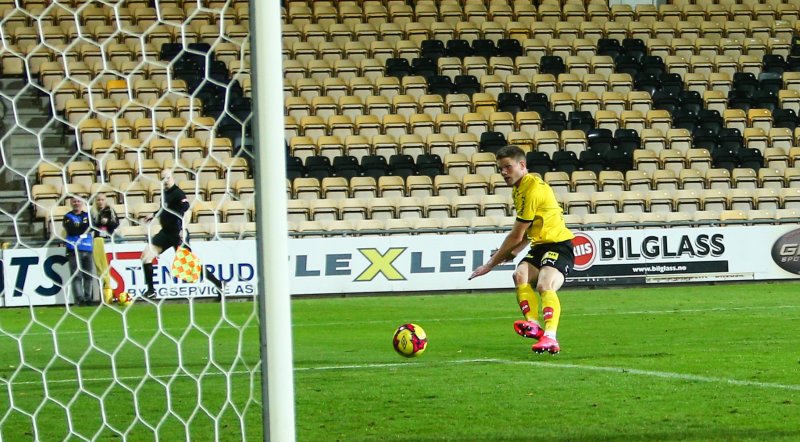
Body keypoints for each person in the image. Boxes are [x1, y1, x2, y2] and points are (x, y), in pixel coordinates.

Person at [469, 145, 575, 354]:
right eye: (501, 168)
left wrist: (490, 265)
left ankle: (551, 338)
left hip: (560, 245)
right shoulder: (519, 190)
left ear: (522, 165)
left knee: (545, 284)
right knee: (520, 275)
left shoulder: (533, 188)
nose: (503, 172)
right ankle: (533, 325)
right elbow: (529, 230)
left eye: (508, 167)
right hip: (540, 245)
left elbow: (516, 234)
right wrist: (515, 252)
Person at [140, 168, 224, 301]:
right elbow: (165, 209)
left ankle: (219, 284)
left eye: (167, 178)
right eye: (163, 179)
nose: (165, 181)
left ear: (172, 177)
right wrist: (154, 214)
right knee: (146, 256)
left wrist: (182, 228)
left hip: (178, 234)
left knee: (190, 266)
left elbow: (186, 208)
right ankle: (151, 291)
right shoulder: (164, 194)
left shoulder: (178, 193)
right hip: (166, 233)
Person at [63, 196, 96, 306]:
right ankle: (79, 299)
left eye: (78, 201)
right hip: (74, 249)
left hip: (87, 247)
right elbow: (71, 230)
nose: (76, 203)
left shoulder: (87, 215)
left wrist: (81, 228)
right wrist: (84, 228)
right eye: (74, 201)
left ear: (82, 203)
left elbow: (91, 228)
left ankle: (88, 298)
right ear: (71, 203)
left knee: (88, 275)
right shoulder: (68, 216)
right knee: (76, 275)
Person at [91, 192, 119, 304]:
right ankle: (104, 295)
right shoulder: (92, 212)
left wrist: (108, 222)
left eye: (102, 199)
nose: (100, 202)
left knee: (106, 267)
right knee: (100, 269)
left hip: (108, 241)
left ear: (106, 200)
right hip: (97, 241)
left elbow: (116, 224)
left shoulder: (110, 211)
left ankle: (109, 294)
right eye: (98, 200)